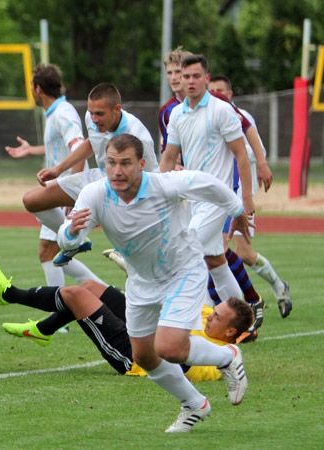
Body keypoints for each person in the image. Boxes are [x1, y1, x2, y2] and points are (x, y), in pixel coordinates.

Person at [58, 133, 250, 433]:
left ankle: (228, 356)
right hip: (141, 281)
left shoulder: (164, 184)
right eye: (111, 163)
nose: (117, 171)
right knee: (144, 355)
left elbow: (209, 184)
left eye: (125, 163)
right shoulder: (95, 193)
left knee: (170, 347)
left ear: (141, 164)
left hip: (182, 272)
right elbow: (70, 236)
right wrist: (69, 234)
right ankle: (194, 404)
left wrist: (238, 211)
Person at [0, 257, 253, 382]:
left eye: (217, 318)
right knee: (91, 287)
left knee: (75, 295)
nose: (210, 316)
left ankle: (9, 294)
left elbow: (177, 361)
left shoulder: (216, 359)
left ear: (229, 332)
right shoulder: (206, 315)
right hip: (146, 328)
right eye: (214, 311)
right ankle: (44, 330)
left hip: (135, 356)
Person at [157, 52, 272, 337]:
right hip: (191, 201)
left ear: (206, 78)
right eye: (186, 76)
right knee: (215, 261)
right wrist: (155, 193)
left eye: (197, 76)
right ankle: (243, 325)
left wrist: (246, 198)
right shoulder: (177, 114)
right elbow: (169, 156)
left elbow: (241, 155)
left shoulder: (221, 110)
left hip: (218, 200)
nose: (191, 81)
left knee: (187, 252)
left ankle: (191, 325)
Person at [22, 82, 158, 266]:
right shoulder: (91, 118)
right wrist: (58, 169)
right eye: (91, 112)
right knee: (32, 200)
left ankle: (126, 255)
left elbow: (151, 181)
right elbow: (90, 143)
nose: (93, 119)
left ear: (117, 109)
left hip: (123, 194)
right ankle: (75, 240)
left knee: (138, 268)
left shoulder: (138, 137)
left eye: (99, 114)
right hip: (97, 179)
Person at [4, 64, 103, 293]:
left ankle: (60, 315)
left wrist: (74, 199)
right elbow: (61, 148)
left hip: (64, 192)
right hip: (61, 191)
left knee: (48, 250)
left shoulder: (63, 113)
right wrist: (32, 150)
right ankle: (106, 294)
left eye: (31, 86)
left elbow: (78, 147)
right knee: (50, 252)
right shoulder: (56, 112)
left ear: (38, 89)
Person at [208, 75, 292, 318]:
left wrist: (247, 190)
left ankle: (275, 288)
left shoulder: (238, 116)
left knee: (240, 252)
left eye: (221, 90)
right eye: (213, 90)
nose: (216, 94)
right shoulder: (206, 114)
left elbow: (256, 152)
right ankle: (234, 308)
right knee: (215, 250)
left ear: (231, 93)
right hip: (216, 192)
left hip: (238, 191)